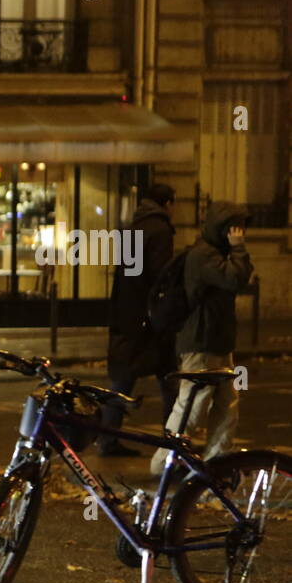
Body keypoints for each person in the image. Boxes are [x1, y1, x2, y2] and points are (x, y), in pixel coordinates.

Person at [150, 202, 253, 475]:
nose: (241, 233)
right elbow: (235, 280)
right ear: (224, 229)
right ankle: (163, 462)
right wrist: (238, 247)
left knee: (226, 406)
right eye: (236, 228)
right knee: (193, 405)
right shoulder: (204, 255)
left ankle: (216, 464)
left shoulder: (218, 253)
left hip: (218, 341)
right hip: (200, 343)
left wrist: (236, 250)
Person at [98, 184, 179, 456]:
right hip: (150, 314)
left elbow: (127, 273)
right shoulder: (161, 230)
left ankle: (108, 438)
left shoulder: (133, 227)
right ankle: (172, 442)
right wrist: (164, 311)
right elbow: (159, 276)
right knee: (169, 379)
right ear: (167, 203)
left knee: (123, 377)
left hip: (127, 311)